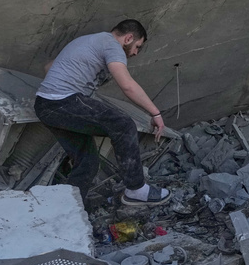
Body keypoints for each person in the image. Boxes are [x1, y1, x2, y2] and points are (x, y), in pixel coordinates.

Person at [34, 19, 171, 207]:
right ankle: (136, 190)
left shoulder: (87, 41)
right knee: (123, 125)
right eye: (137, 47)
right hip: (62, 101)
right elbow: (127, 86)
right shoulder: (111, 44)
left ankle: (70, 209)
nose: (135, 53)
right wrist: (155, 114)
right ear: (128, 38)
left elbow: (49, 67)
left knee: (87, 162)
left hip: (45, 105)